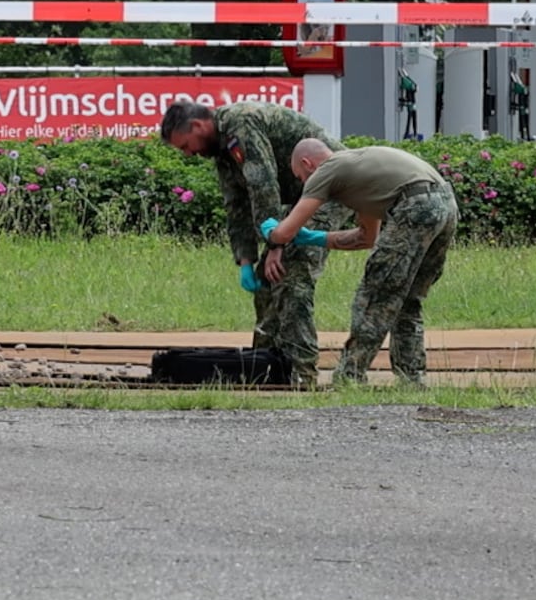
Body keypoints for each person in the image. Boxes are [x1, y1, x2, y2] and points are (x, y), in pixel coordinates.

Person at [159, 98, 346, 388]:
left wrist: (276, 246)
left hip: (333, 186)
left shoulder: (240, 123)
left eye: (186, 145)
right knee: (266, 280)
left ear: (198, 125)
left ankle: (302, 374)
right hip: (304, 198)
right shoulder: (221, 149)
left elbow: (264, 184)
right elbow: (237, 206)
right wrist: (246, 260)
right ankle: (265, 369)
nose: (189, 154)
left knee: (292, 274)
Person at [265, 139, 458, 387]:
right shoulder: (361, 176)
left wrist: (271, 232)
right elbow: (366, 238)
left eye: (300, 176)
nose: (303, 183)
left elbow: (284, 232)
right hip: (445, 203)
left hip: (415, 206)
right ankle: (412, 378)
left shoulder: (327, 169)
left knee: (374, 297)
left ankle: (349, 377)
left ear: (307, 164)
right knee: (409, 299)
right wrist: (316, 238)